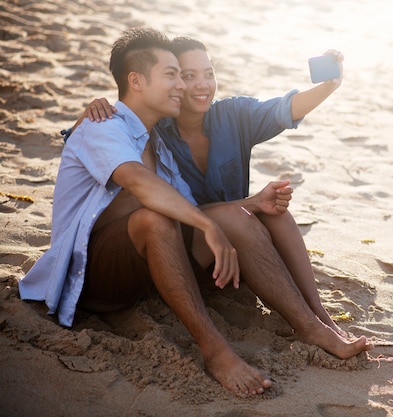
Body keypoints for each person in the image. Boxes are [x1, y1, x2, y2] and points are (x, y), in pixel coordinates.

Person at [20, 27, 372, 397]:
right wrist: (208, 225)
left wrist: (247, 207)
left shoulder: (161, 144)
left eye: (195, 74)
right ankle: (216, 352)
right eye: (175, 75)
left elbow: (194, 207)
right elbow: (137, 182)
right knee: (155, 219)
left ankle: (312, 325)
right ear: (136, 81)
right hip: (89, 278)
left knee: (228, 217)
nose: (184, 86)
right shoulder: (103, 125)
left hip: (146, 276)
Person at [72, 36, 347, 335]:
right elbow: (96, 140)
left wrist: (328, 85)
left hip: (236, 245)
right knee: (240, 214)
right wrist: (87, 113)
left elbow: (284, 109)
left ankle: (319, 315)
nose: (203, 84)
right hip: (188, 252)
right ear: (174, 81)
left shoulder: (233, 115)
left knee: (275, 211)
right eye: (188, 76)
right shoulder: (157, 132)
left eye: (209, 74)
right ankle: (309, 325)